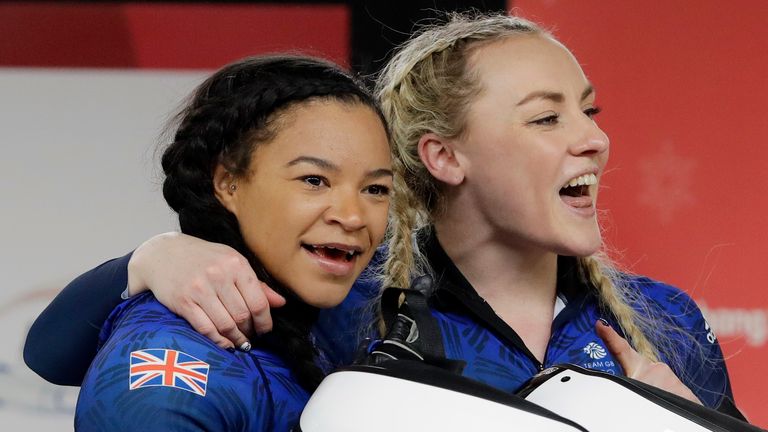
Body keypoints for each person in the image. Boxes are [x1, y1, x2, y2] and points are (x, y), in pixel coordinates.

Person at [27, 13, 743, 418]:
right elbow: (52, 355)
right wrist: (149, 261)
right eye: (546, 118)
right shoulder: (343, 301)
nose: (592, 138)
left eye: (589, 111)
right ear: (443, 156)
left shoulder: (667, 322)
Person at [72, 54, 393, 430]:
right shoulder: (169, 369)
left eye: (375, 188)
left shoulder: (379, 290)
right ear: (228, 183)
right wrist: (145, 259)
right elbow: (46, 352)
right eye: (314, 180)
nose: (353, 216)